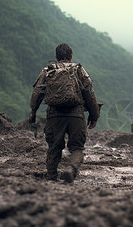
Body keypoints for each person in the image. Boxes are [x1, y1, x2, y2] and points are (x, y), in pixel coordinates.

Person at [29, 43, 100, 183]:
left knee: (54, 148)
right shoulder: (78, 70)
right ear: (71, 56)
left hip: (55, 115)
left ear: (56, 57)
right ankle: (71, 168)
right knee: (77, 147)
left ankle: (51, 178)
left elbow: (37, 93)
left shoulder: (47, 71)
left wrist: (33, 111)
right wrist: (94, 115)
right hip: (76, 115)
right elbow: (89, 93)